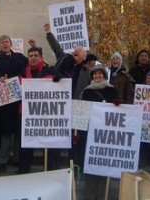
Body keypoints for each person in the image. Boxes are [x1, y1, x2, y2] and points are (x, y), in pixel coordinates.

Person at [43, 23, 94, 170]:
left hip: (77, 108)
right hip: (59, 107)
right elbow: (56, 47)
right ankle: (54, 165)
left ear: (84, 57)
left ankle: (74, 167)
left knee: (74, 140)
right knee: (57, 137)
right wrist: (48, 34)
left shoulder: (87, 71)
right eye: (74, 50)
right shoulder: (65, 61)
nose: (75, 51)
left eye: (79, 50)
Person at [17, 46, 61, 174]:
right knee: (26, 146)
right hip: (26, 114)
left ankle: (49, 171)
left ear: (41, 58)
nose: (33, 58)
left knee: (46, 146)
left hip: (45, 115)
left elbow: (60, 82)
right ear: (28, 58)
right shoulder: (21, 73)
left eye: (36, 55)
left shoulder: (50, 71)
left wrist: (56, 74)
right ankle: (23, 172)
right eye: (31, 56)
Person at [80, 65, 120, 200]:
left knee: (103, 165)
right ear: (92, 77)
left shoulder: (112, 90)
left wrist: (117, 105)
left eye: (100, 74)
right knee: (91, 164)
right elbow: (82, 112)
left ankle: (104, 195)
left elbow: (118, 112)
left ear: (104, 75)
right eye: (95, 74)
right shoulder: (87, 91)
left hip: (106, 134)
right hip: (90, 134)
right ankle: (89, 195)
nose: (97, 76)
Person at [0, 35, 28, 172]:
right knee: (6, 131)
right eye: (2, 42)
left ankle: (17, 158)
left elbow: (30, 66)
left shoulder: (20, 57)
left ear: (11, 44)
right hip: (6, 100)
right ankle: (3, 160)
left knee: (19, 130)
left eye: (7, 42)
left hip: (21, 98)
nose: (5, 44)